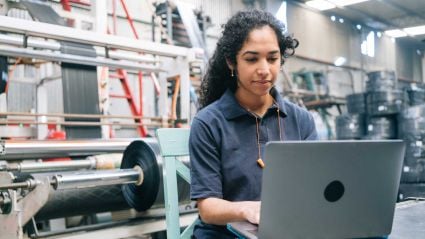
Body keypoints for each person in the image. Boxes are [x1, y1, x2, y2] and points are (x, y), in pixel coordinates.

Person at [189, 9, 318, 238]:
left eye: (272, 58)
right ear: (231, 62)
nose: (264, 70)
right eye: (251, 59)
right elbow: (207, 208)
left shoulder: (302, 120)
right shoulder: (208, 123)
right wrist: (248, 209)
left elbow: (313, 188)